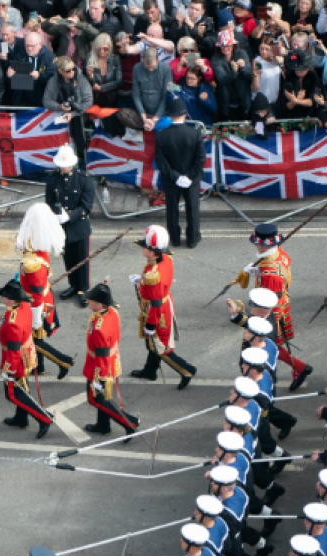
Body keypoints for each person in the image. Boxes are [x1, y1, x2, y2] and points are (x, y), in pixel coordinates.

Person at [238, 224, 313, 391]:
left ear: (264, 245)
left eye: (258, 243)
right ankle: (300, 367)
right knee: (271, 344)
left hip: (270, 311)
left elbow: (268, 299)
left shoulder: (270, 272)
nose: (256, 245)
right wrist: (258, 271)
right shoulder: (280, 254)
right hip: (280, 302)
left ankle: (298, 368)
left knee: (264, 344)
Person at [129, 225, 197, 388]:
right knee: (151, 344)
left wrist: (151, 325)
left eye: (144, 247)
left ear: (152, 252)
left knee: (160, 347)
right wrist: (141, 279)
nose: (142, 249)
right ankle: (150, 370)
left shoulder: (155, 275)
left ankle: (186, 370)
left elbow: (156, 304)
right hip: (162, 304)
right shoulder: (164, 259)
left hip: (158, 314)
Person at [16, 203, 73, 379]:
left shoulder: (32, 263)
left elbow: (37, 293)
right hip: (40, 299)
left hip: (36, 304)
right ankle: (38, 366)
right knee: (35, 339)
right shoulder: (39, 251)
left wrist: (35, 318)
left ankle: (63, 361)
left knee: (34, 339)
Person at [0, 279, 53, 437]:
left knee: (14, 394)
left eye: (4, 296)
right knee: (22, 389)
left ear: (12, 300)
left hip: (17, 360)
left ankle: (43, 418)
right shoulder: (23, 306)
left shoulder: (13, 321)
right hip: (26, 354)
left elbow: (13, 351)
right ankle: (21, 418)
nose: (2, 298)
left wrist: (10, 370)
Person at [83, 283, 139, 436]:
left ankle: (130, 422)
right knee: (101, 398)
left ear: (99, 304)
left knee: (96, 399)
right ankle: (103, 425)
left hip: (100, 367)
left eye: (91, 299)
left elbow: (101, 355)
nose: (87, 301)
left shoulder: (100, 328)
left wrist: (99, 378)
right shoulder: (111, 312)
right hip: (109, 361)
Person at [45, 145, 93, 308]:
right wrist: (55, 214)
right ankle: (73, 284)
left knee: (82, 260)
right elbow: (50, 201)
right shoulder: (52, 179)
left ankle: (83, 289)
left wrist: (70, 216)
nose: (62, 167)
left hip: (79, 226)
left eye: (65, 165)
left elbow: (87, 206)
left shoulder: (84, 179)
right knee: (69, 258)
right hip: (62, 227)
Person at [154, 98, 205, 248]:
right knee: (193, 208)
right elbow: (201, 158)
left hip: (171, 179)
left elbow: (160, 161)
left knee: (172, 208)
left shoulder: (162, 135)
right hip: (193, 178)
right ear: (185, 114)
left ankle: (174, 238)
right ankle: (192, 238)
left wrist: (176, 176)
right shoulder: (195, 133)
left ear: (170, 116)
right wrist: (189, 176)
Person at [43, 56, 91, 163]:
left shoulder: (81, 79)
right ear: (60, 71)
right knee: (63, 145)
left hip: (79, 118)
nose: (72, 73)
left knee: (81, 144)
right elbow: (46, 101)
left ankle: (83, 167)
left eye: (73, 69)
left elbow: (88, 101)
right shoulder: (53, 81)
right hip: (61, 119)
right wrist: (60, 106)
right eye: (68, 71)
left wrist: (73, 114)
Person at [7, 32, 54, 107]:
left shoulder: (49, 57)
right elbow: (9, 81)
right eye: (27, 45)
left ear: (40, 45)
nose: (29, 48)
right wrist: (9, 75)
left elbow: (53, 75)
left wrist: (40, 75)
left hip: (41, 96)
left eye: (32, 46)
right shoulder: (20, 56)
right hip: (22, 98)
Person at [85, 33, 120, 108]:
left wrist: (101, 88)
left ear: (109, 48)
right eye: (99, 48)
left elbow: (119, 81)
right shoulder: (90, 58)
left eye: (105, 49)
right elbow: (89, 82)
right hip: (94, 98)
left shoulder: (115, 59)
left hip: (111, 98)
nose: (102, 51)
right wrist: (91, 76)